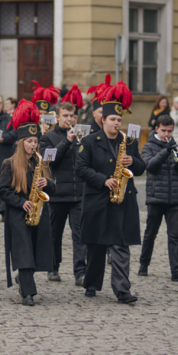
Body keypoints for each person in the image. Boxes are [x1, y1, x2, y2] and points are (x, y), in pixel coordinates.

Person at [76, 81, 145, 304]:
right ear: (103, 120)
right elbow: (80, 169)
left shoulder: (129, 141)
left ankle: (122, 290)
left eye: (119, 120)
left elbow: (142, 167)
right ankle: (91, 283)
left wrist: (133, 161)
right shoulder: (89, 141)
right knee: (96, 246)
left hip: (123, 201)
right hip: (97, 200)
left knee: (121, 245)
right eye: (113, 119)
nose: (116, 123)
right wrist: (104, 180)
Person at [0, 100, 56, 306]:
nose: (33, 145)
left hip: (38, 213)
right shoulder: (9, 163)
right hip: (18, 213)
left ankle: (23, 281)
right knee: (23, 252)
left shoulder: (41, 162)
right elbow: (2, 190)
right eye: (29, 141)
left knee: (34, 250)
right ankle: (28, 292)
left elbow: (53, 188)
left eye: (35, 141)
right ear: (21, 142)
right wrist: (20, 202)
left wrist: (47, 183)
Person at [39, 86, 86, 286]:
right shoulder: (47, 137)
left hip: (78, 194)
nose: (69, 119)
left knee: (80, 236)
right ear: (57, 117)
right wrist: (67, 141)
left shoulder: (82, 136)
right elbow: (49, 160)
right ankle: (53, 267)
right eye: (65, 116)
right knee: (54, 234)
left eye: (72, 116)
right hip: (57, 194)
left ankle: (80, 272)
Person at [138, 114, 178, 281]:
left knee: (174, 236)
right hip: (156, 197)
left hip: (174, 198)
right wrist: (166, 151)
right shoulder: (148, 146)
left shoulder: (176, 146)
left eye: (170, 131)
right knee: (150, 233)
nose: (167, 134)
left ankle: (176, 271)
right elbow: (150, 166)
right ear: (157, 129)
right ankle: (143, 264)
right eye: (163, 131)